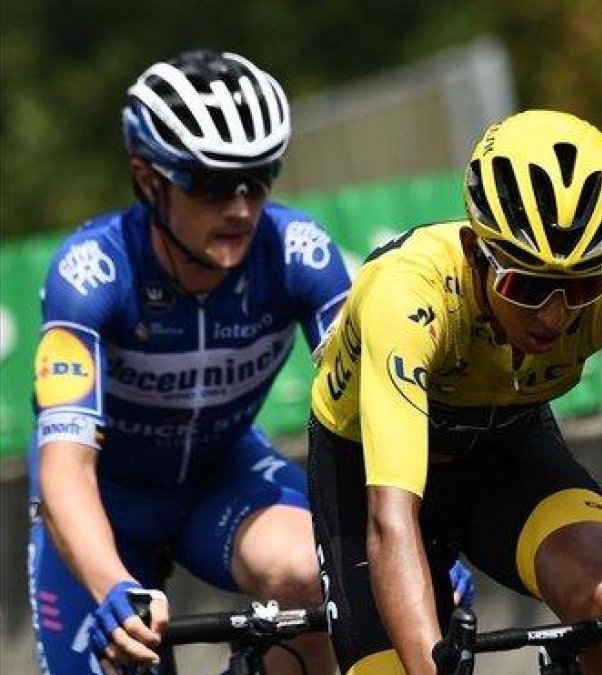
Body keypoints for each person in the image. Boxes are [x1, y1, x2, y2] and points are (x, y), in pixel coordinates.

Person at [308, 109, 602, 675]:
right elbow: (392, 518)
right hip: (367, 471)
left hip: (505, 450)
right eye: (528, 286)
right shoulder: (407, 293)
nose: (555, 315)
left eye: (581, 287)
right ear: (476, 250)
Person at [26, 49, 354, 675]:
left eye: (258, 178)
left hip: (220, 475)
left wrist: (420, 539)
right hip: (107, 496)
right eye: (210, 184)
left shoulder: (299, 253)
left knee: (319, 573)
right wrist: (111, 587)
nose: (239, 208)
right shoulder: (91, 273)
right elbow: (64, 467)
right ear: (148, 179)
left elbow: (376, 414)